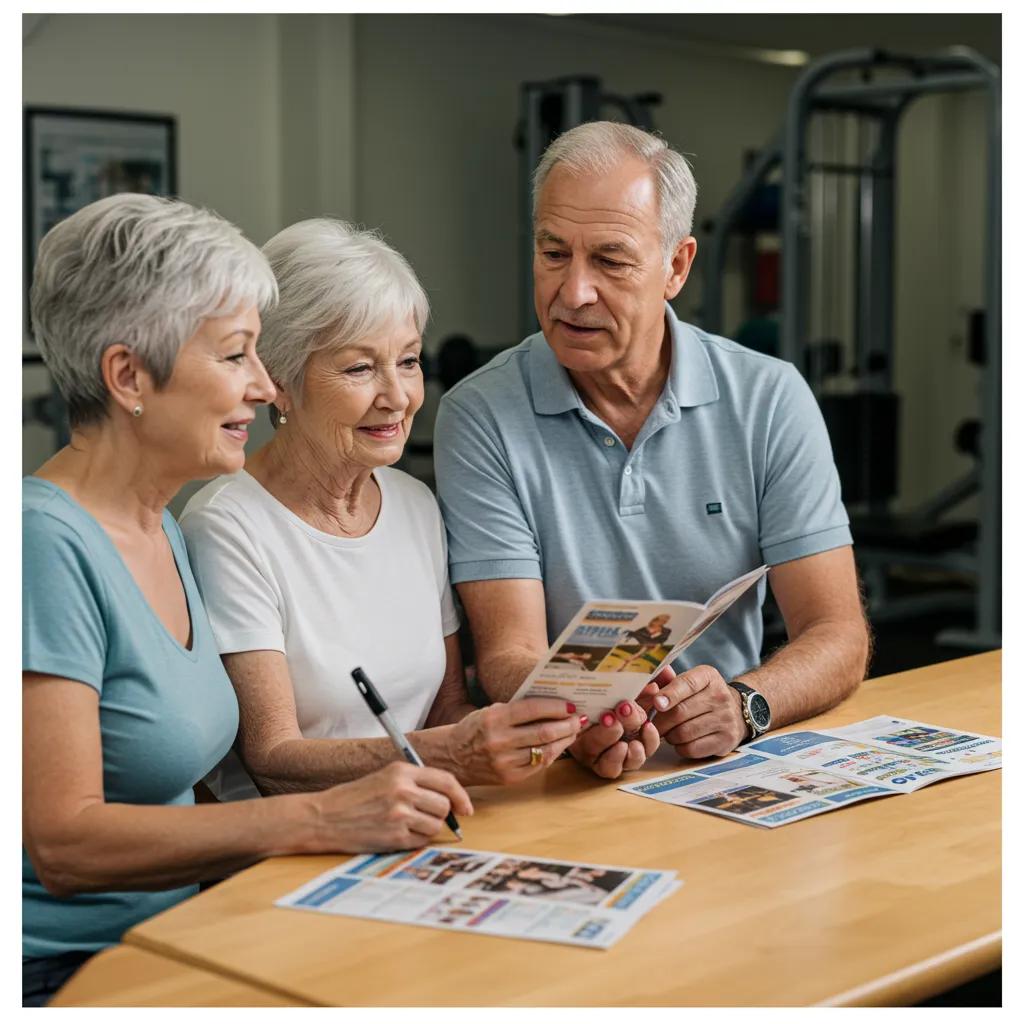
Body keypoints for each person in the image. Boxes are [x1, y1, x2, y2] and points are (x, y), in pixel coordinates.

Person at [22, 195, 471, 1006]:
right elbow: (65, 844)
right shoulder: (42, 543)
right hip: (68, 972)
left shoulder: (157, 527)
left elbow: (182, 788)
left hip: (186, 925)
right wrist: (323, 821)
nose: (265, 388)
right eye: (236, 357)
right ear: (128, 376)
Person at [433, 121, 870, 780]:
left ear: (677, 266)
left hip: (726, 764)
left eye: (609, 260)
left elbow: (838, 634)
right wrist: (587, 717)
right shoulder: (480, 414)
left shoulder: (769, 398)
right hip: (565, 772)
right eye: (554, 254)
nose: (573, 292)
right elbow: (507, 653)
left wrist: (749, 703)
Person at [179, 218, 584, 804]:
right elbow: (273, 761)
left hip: (426, 818)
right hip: (294, 847)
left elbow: (448, 706)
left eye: (410, 361)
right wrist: (450, 753)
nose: (397, 396)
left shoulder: (415, 505)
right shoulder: (227, 524)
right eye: (360, 368)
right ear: (280, 383)